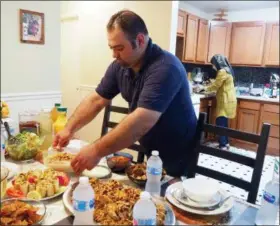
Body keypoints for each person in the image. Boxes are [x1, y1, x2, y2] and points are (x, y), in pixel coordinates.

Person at [53, 10, 197, 177]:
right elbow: (97, 99)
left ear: (140, 40)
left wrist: (96, 150)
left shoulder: (166, 67)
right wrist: (69, 129)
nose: (114, 55)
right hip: (151, 149)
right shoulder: (121, 65)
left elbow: (142, 119)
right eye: (112, 48)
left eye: (119, 48)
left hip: (178, 153)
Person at [195, 54, 237, 150]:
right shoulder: (228, 70)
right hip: (229, 99)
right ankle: (226, 143)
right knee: (224, 122)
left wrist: (202, 88)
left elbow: (215, 86)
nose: (213, 66)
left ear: (217, 63)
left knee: (220, 121)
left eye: (213, 64)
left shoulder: (222, 71)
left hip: (225, 100)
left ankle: (222, 145)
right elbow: (219, 84)